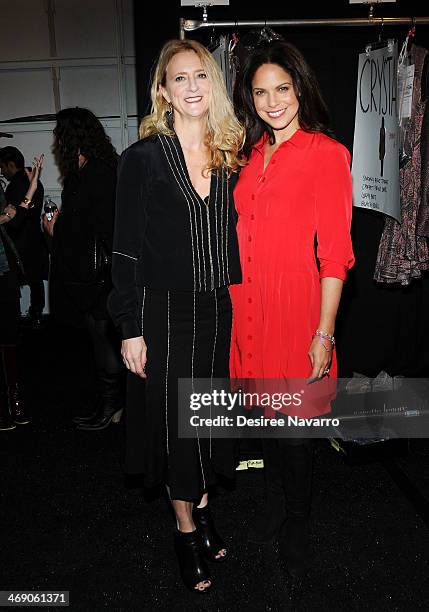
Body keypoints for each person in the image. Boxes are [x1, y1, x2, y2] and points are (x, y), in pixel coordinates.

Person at [108, 39, 244, 592]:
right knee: (176, 429)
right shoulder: (142, 158)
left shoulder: (228, 153)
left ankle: (204, 505)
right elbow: (124, 250)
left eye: (202, 77)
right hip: (163, 311)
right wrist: (130, 327)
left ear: (214, 85)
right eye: (180, 78)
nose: (193, 87)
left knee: (207, 418)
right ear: (162, 91)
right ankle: (185, 528)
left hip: (216, 307)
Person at [231, 41, 355, 579]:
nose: (272, 101)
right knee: (261, 416)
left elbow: (335, 256)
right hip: (245, 307)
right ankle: (276, 501)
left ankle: (299, 515)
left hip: (295, 308)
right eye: (260, 91)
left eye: (282, 88)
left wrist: (324, 333)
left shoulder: (326, 154)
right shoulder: (245, 156)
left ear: (300, 88)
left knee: (293, 426)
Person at [43, 108, 125, 430]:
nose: (55, 139)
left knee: (104, 340)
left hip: (100, 278)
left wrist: (56, 231)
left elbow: (105, 228)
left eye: (59, 132)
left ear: (73, 135)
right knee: (98, 339)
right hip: (89, 277)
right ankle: (110, 404)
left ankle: (111, 407)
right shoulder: (86, 171)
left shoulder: (98, 173)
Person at [0, 155, 44, 430]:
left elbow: (14, 219)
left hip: (4, 271)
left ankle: (14, 400)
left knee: (8, 337)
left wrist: (32, 187)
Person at [0, 146, 48, 328]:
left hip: (20, 240)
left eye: (3, 168)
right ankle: (36, 314)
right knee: (35, 280)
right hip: (34, 238)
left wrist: (8, 215)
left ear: (11, 164)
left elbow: (15, 217)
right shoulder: (32, 181)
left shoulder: (16, 185)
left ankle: (20, 320)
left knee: (15, 283)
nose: (3, 173)